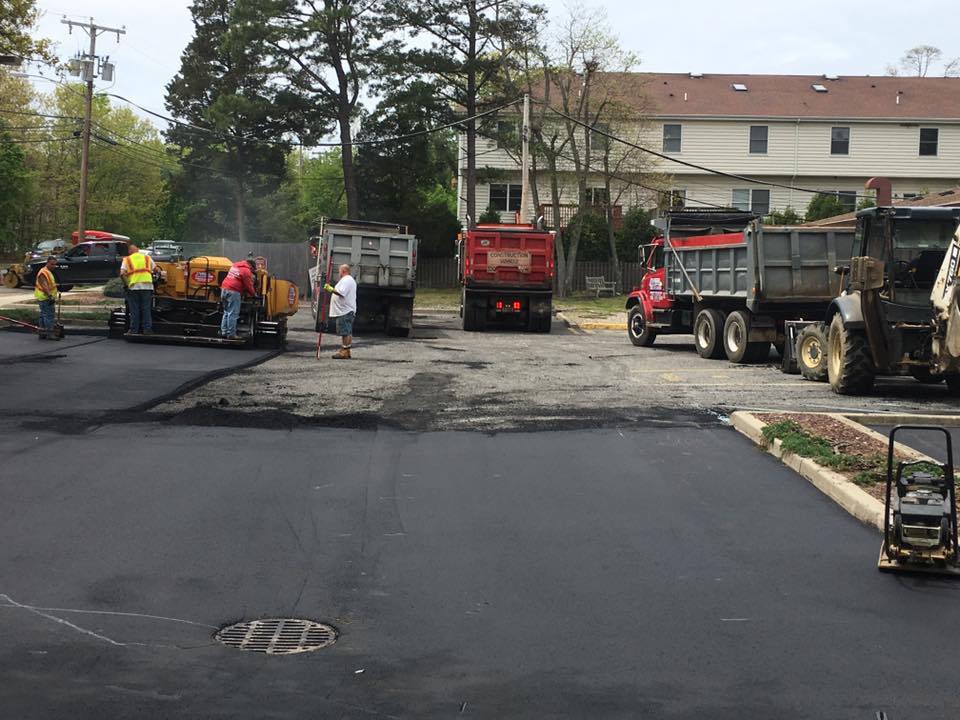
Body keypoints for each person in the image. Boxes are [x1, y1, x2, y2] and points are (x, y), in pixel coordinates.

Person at [120, 244, 156, 334]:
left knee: (134, 309)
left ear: (130, 251)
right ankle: (147, 330)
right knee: (146, 308)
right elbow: (157, 270)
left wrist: (126, 285)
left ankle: (134, 330)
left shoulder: (127, 259)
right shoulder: (147, 258)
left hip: (134, 287)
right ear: (138, 250)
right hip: (147, 286)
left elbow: (122, 274)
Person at [324, 263, 357, 359]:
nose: (339, 273)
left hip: (345, 310)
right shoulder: (347, 280)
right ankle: (345, 349)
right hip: (345, 310)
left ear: (343, 271)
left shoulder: (347, 280)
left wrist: (330, 289)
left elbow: (341, 293)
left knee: (345, 331)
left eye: (339, 271)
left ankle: (345, 351)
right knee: (346, 331)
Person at [220, 258, 257, 339]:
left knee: (226, 311)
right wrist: (254, 295)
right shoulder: (246, 271)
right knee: (233, 313)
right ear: (251, 266)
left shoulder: (235, 265)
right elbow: (249, 286)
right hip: (233, 291)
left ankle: (224, 331)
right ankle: (231, 334)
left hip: (224, 289)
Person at [34, 255, 59, 340]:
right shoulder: (43, 272)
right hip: (45, 298)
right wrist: (50, 296)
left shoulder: (47, 271)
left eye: (55, 264)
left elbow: (49, 284)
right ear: (47, 263)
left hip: (44, 297)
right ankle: (50, 334)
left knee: (43, 315)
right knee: (49, 316)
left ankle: (42, 333)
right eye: (52, 264)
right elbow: (44, 286)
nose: (54, 266)